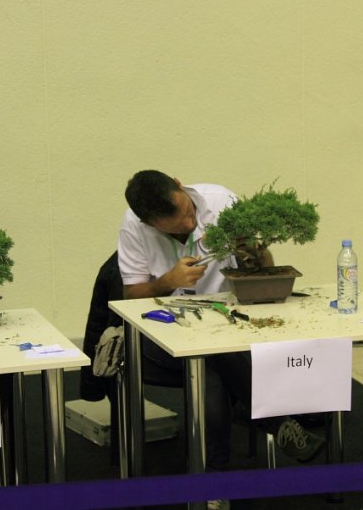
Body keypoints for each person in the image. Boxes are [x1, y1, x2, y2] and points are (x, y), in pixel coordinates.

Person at [117, 170, 327, 474]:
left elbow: (262, 267)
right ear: (150, 223)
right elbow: (131, 295)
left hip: (225, 326)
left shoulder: (221, 202)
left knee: (210, 364)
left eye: (188, 213)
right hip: (163, 332)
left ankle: (212, 479)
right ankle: (276, 423)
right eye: (176, 226)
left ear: (179, 184)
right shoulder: (133, 226)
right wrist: (168, 281)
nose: (189, 224)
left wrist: (254, 251)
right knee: (213, 358)